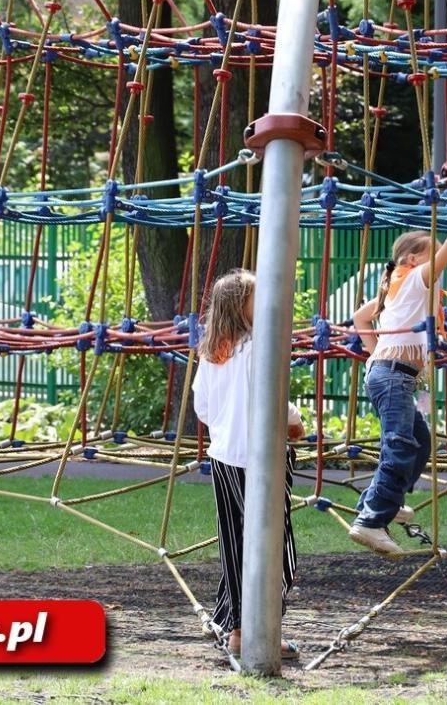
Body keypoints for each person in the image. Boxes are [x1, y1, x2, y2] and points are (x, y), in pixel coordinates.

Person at [347, 195, 447, 556]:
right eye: (431, 258)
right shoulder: (415, 278)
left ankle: (387, 501)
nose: (440, 267)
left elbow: (359, 318)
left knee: (420, 443)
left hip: (390, 372)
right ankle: (371, 521)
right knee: (400, 446)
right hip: (392, 375)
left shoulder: (393, 287)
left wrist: (377, 356)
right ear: (413, 260)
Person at [191, 269, 306, 660]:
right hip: (262, 458)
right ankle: (258, 630)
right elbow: (274, 394)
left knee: (235, 543)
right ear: (242, 305)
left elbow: (202, 407)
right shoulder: (261, 346)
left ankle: (237, 626)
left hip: (224, 456)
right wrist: (294, 422)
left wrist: (228, 421)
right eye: (259, 296)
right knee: (278, 548)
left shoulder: (213, 350)